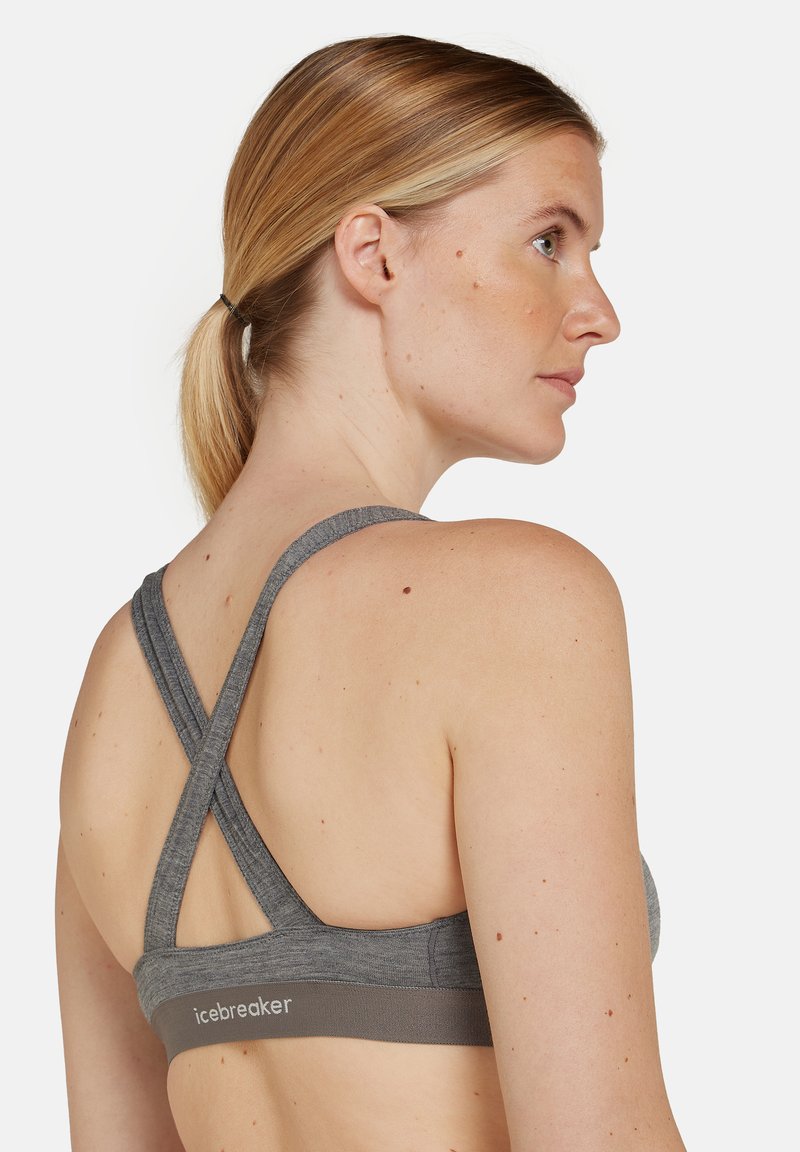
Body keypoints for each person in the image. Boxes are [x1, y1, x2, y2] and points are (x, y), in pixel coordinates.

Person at [56, 33, 686, 1152]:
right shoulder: (516, 602)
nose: (598, 311)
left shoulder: (115, 685)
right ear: (373, 255)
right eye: (549, 240)